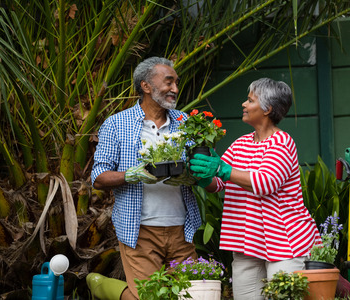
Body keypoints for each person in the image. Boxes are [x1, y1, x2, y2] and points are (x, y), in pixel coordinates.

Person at [190, 78, 322, 300]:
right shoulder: (241, 144)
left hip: (285, 242)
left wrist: (222, 169)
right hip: (246, 240)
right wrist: (204, 178)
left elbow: (266, 182)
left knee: (283, 297)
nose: (243, 104)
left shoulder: (282, 142)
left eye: (250, 100)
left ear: (267, 109)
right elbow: (218, 184)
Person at [90, 57, 201, 299]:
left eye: (176, 83)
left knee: (192, 295)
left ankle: (107, 288)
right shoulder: (117, 124)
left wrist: (192, 176)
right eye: (168, 82)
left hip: (182, 228)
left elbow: (200, 167)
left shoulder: (186, 123)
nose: (175, 89)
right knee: (151, 297)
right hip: (139, 230)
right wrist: (131, 175)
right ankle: (104, 288)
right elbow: (98, 176)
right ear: (146, 86)